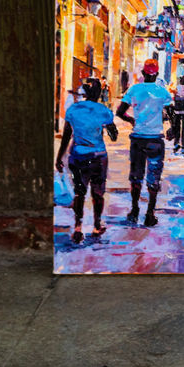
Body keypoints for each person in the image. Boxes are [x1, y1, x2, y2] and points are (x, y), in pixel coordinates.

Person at [55, 78, 118, 243]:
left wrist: (59, 157)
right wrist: (109, 128)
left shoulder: (73, 110)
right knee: (98, 193)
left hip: (77, 156)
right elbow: (113, 136)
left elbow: (66, 136)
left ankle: (77, 227)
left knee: (79, 192)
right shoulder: (104, 111)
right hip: (98, 157)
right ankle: (96, 226)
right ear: (98, 93)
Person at [116, 58, 171, 227]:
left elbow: (120, 112)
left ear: (143, 73)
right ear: (157, 74)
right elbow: (171, 114)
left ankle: (134, 211)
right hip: (155, 139)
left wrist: (132, 120)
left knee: (136, 177)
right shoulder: (162, 92)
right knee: (154, 178)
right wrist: (170, 128)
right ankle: (149, 214)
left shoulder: (134, 89)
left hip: (138, 138)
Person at [169, 75, 184, 154]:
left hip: (177, 111)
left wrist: (171, 85)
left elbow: (172, 92)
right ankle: (183, 146)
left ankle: (176, 144)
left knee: (177, 128)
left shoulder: (177, 87)